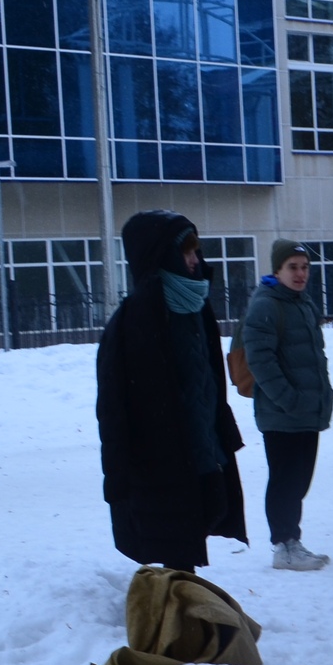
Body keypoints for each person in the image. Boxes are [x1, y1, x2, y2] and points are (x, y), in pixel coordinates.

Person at [96, 211, 247, 571]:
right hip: (159, 465)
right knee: (178, 549)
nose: (196, 260)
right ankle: (182, 619)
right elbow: (113, 411)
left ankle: (185, 613)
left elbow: (209, 383)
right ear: (161, 255)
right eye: (187, 252)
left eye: (196, 251)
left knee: (198, 528)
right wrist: (118, 486)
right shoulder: (133, 322)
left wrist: (220, 436)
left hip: (203, 453)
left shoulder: (196, 308)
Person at [240, 239, 333, 571]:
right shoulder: (266, 306)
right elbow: (260, 361)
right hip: (281, 413)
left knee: (299, 481)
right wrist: (289, 399)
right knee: (285, 480)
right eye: (292, 267)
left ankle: (292, 541)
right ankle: (284, 545)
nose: (300, 274)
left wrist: (325, 395)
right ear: (277, 270)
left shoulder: (303, 303)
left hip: (307, 410)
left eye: (304, 267)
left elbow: (315, 357)